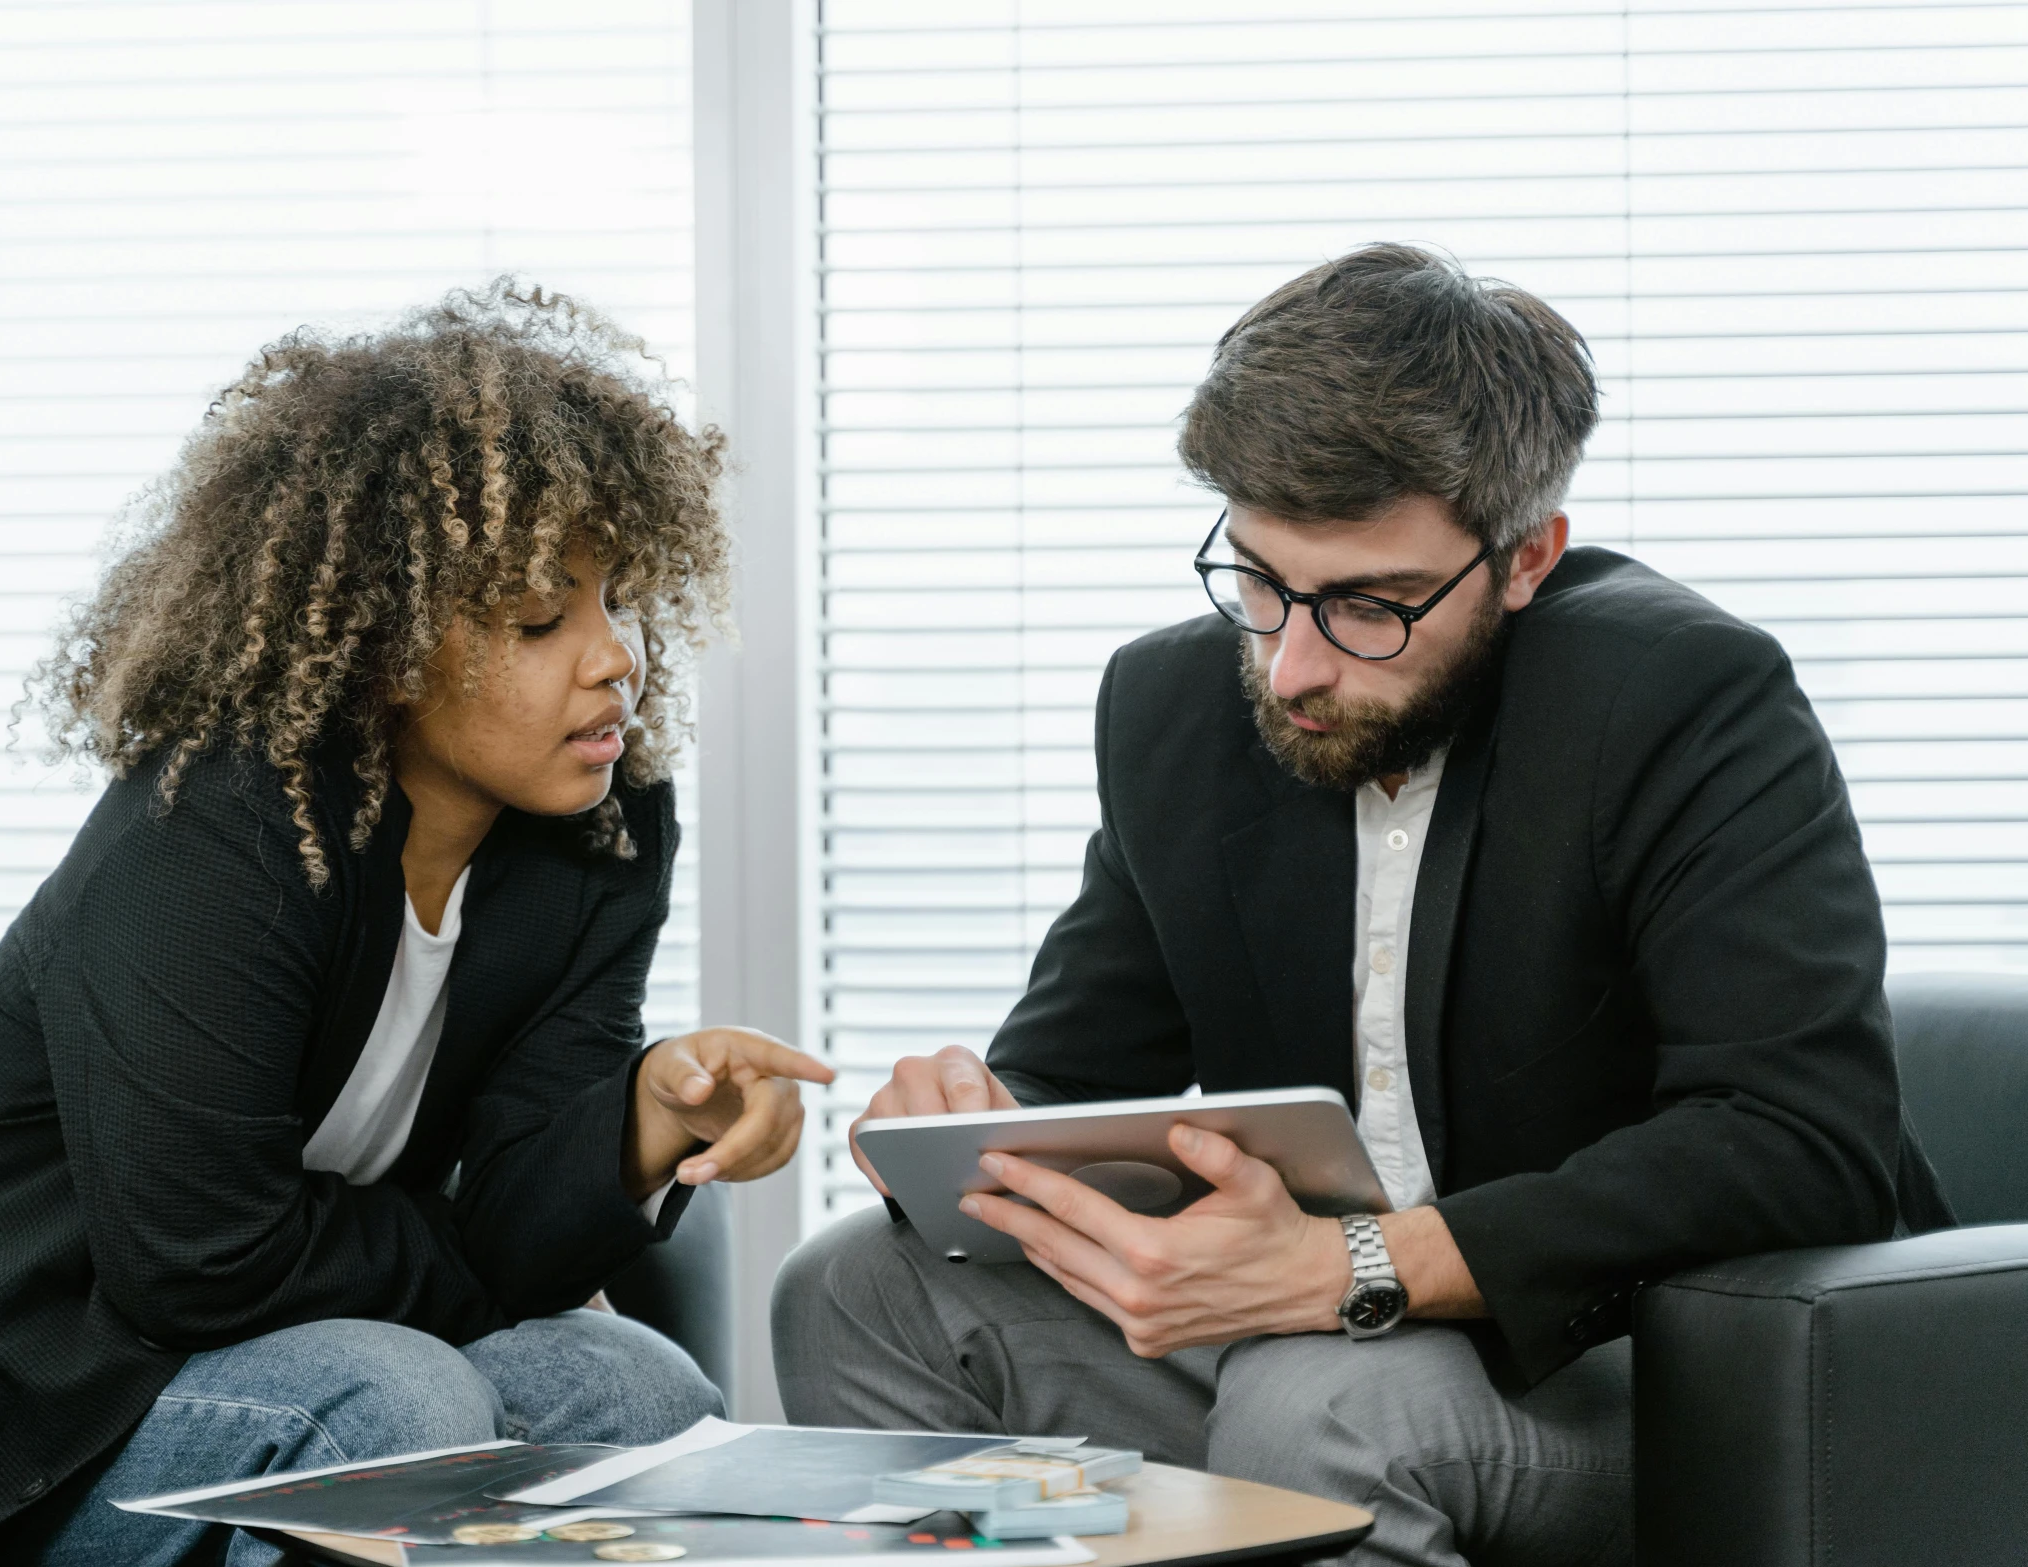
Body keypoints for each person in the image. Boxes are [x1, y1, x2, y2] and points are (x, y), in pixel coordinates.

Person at [771, 244, 1951, 1566]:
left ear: (1524, 558)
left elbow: (1799, 1136)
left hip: (1667, 1368)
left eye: (1370, 607)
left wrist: (1360, 1264)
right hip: (1310, 1334)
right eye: (1261, 579)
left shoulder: (1679, 698)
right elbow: (1075, 1074)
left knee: (1316, 1394)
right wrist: (969, 1131)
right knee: (857, 1286)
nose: (1289, 663)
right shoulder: (1173, 710)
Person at [0, 284, 833, 1567]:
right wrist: (474, 1250)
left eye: (620, 598)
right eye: (538, 619)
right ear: (389, 646)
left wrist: (635, 1123)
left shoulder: (600, 833)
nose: (615, 655)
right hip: (25, 1392)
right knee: (398, 1400)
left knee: (637, 1386)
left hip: (296, 1339)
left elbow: (517, 1208)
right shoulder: (217, 829)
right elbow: (201, 1264)